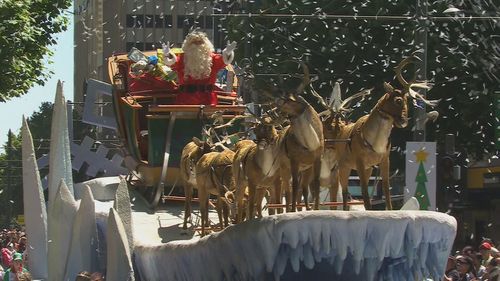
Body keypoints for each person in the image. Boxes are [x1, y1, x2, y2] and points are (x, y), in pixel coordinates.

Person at [163, 31, 236, 106]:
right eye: (194, 42)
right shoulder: (182, 58)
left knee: (210, 117)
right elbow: (171, 63)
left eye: (200, 42)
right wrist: (167, 55)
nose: (197, 45)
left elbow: (224, 61)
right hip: (185, 101)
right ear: (188, 45)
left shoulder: (212, 58)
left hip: (208, 101)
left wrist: (227, 53)